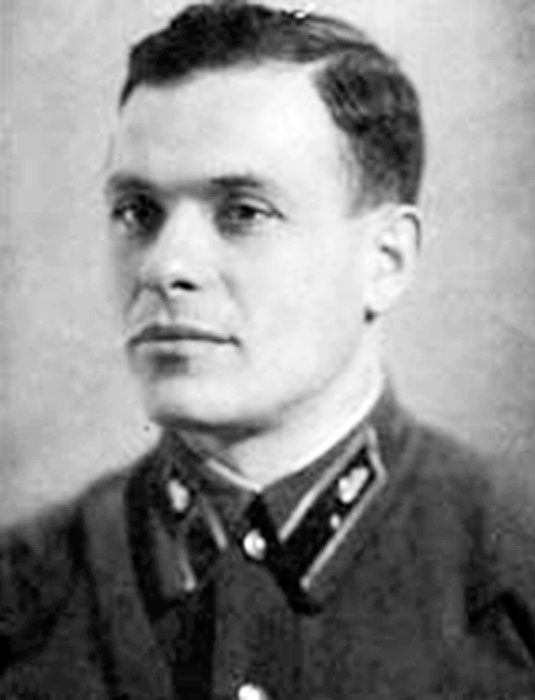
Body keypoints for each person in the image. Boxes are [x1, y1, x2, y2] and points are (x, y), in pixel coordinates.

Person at [1, 2, 533, 698]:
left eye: (244, 213)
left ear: (386, 260)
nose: (164, 266)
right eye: (138, 211)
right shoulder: (23, 591)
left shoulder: (511, 574)